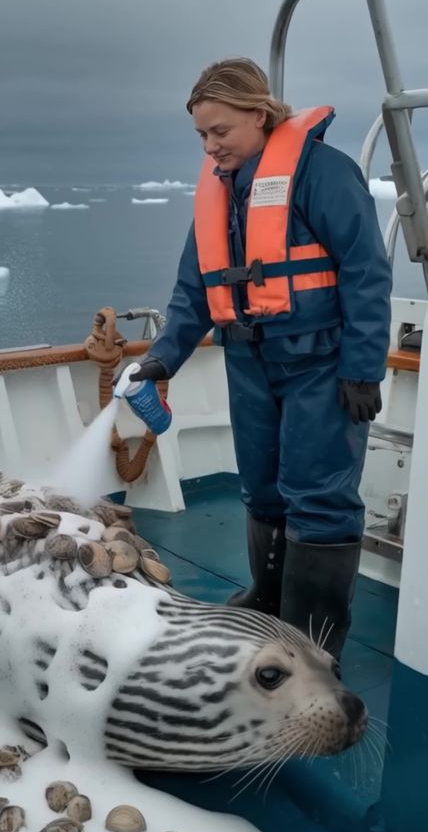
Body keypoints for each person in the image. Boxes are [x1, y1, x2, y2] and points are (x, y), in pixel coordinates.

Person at [131, 57, 392, 659]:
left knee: (318, 494)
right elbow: (194, 291)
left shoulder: (323, 174)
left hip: (320, 365)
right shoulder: (219, 192)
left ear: (258, 113)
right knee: (263, 488)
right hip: (248, 364)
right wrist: (161, 360)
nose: (210, 146)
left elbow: (366, 273)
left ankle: (312, 638)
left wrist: (361, 368)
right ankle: (268, 601)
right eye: (201, 135)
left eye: (220, 131)